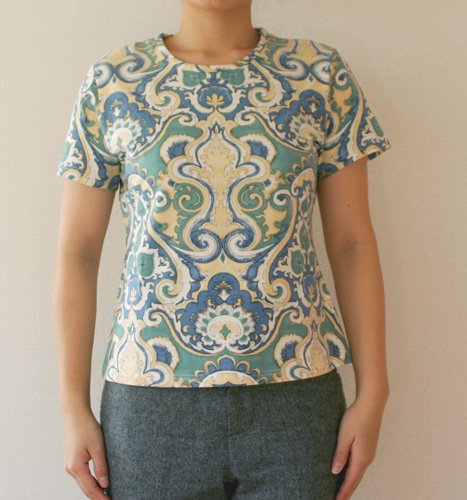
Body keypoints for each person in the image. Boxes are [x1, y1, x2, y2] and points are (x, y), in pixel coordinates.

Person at [52, 1, 391, 499]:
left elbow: (352, 243)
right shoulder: (114, 81)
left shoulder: (319, 75)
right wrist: (73, 409)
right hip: (150, 405)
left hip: (297, 401)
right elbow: (78, 252)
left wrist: (374, 392)